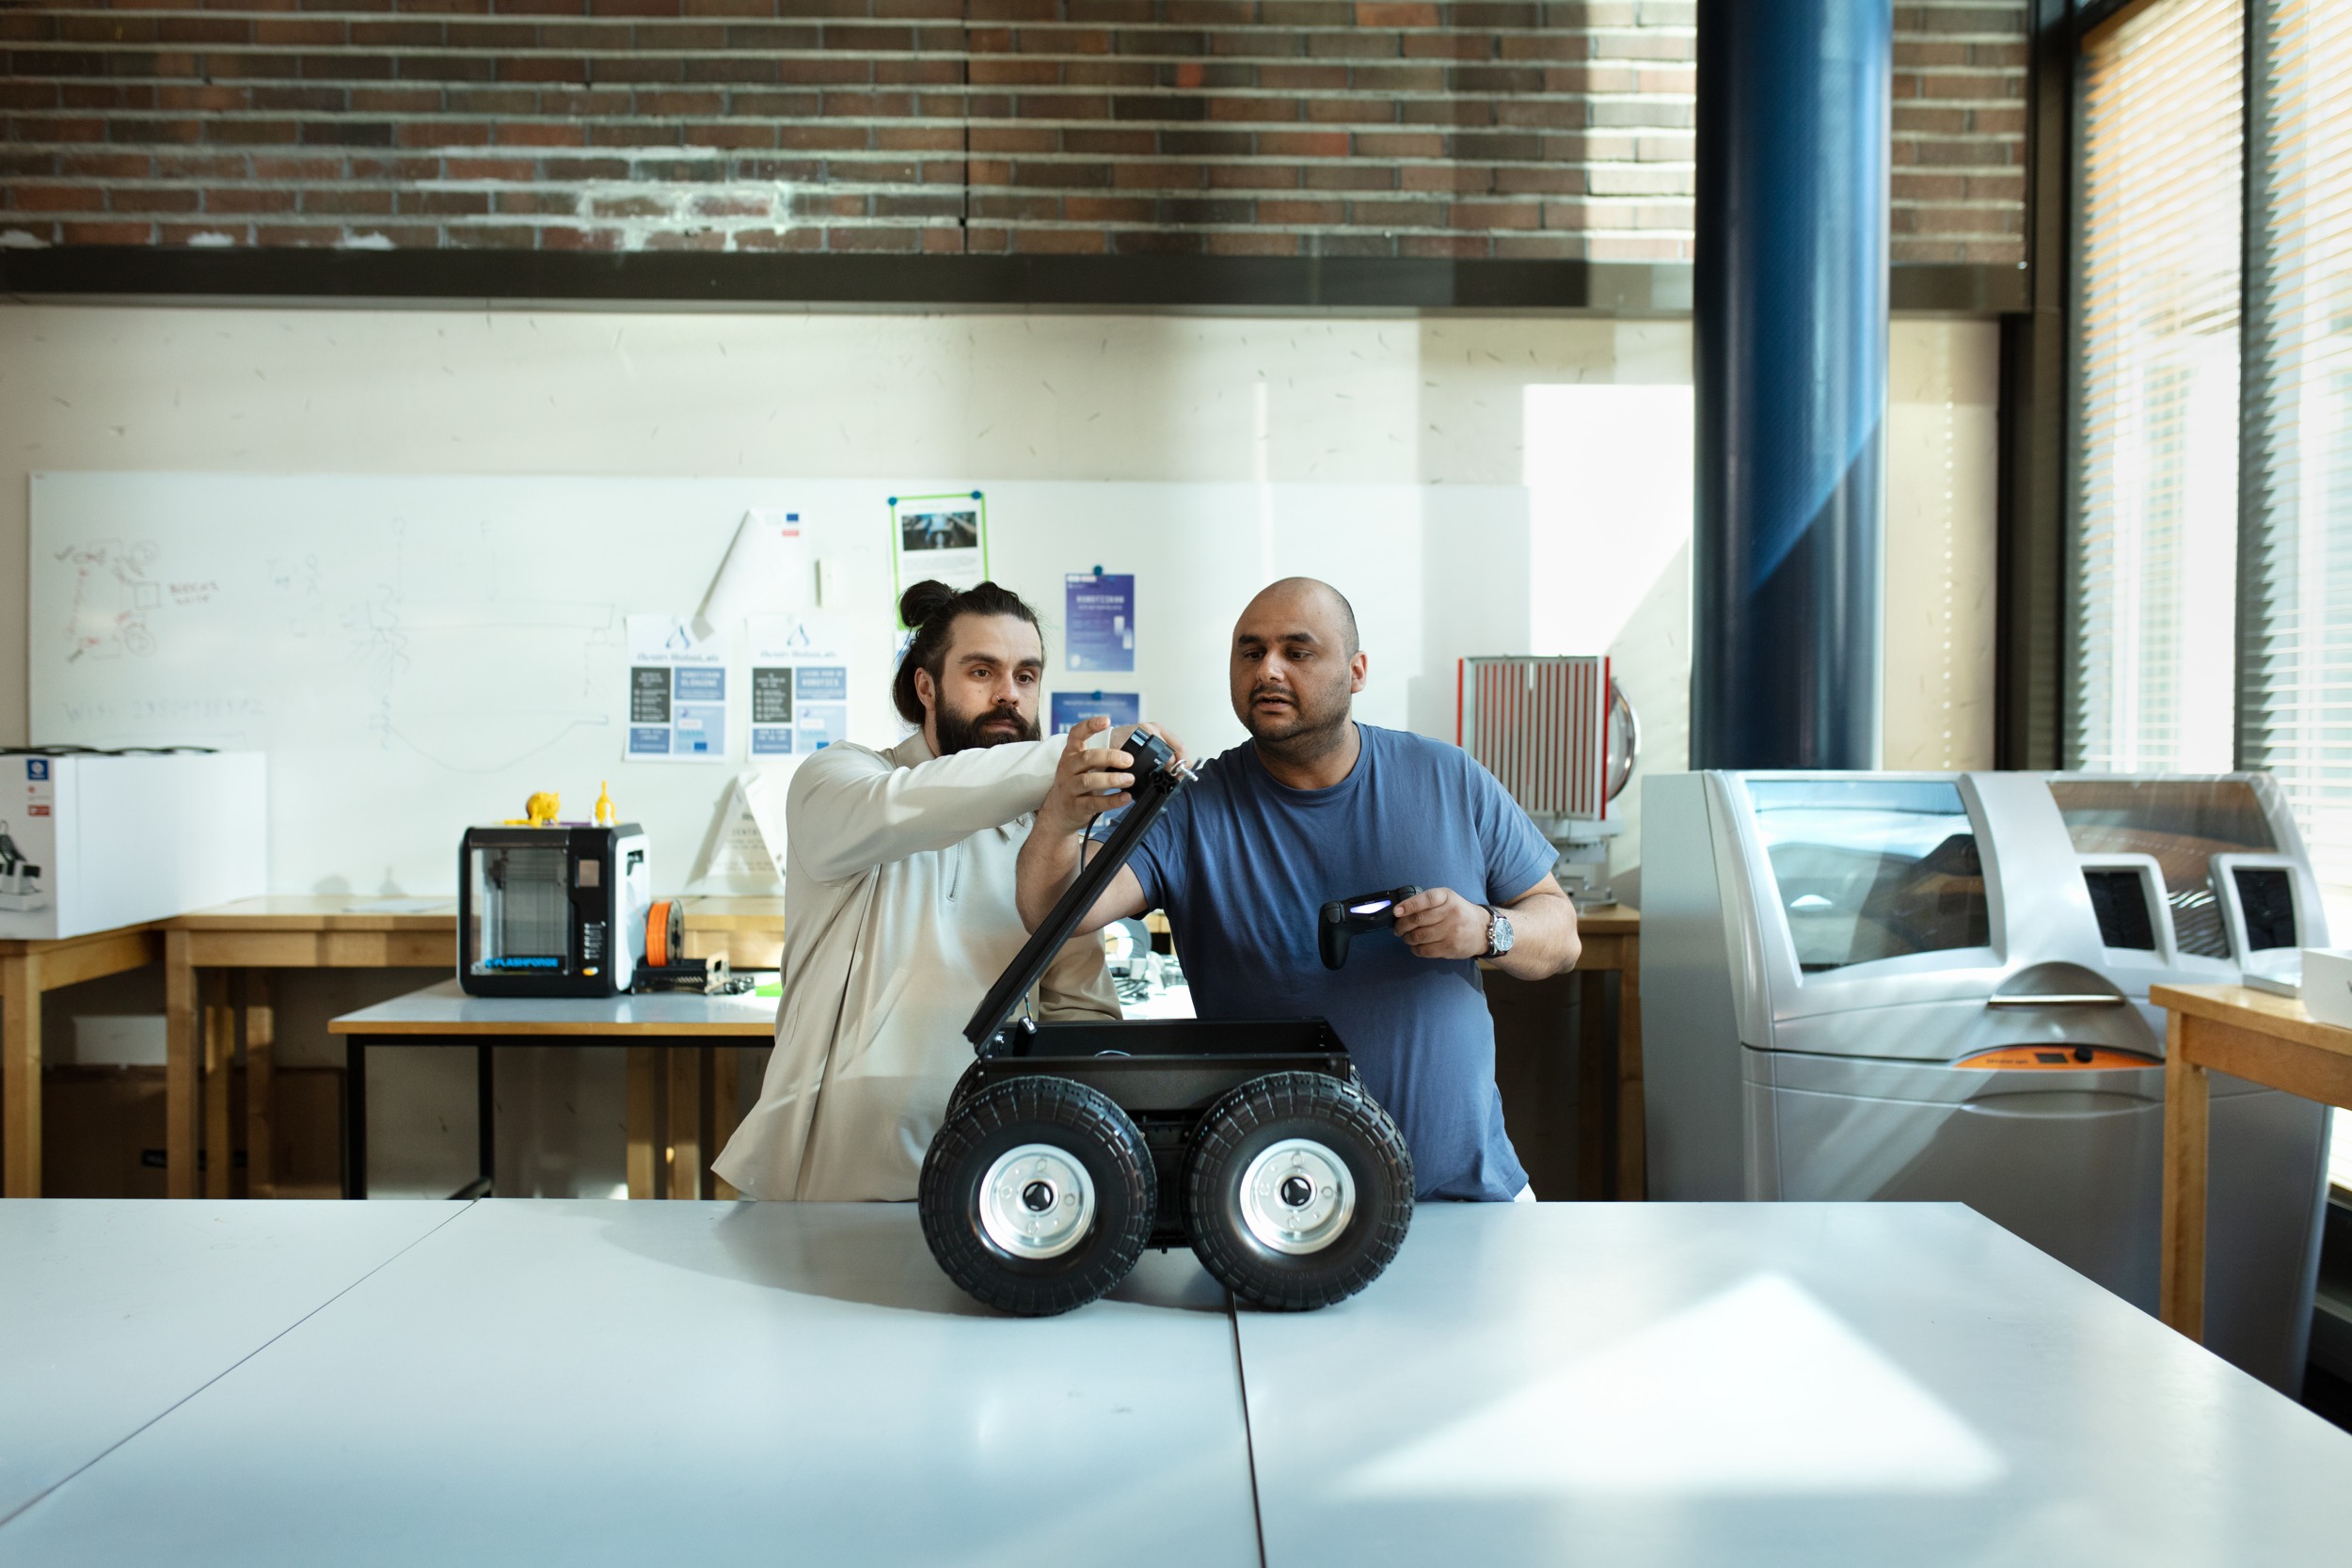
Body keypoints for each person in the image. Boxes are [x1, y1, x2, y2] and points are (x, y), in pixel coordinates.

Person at [1015, 577, 1580, 1202]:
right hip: (1282, 1216)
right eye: (1250, 652)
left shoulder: (1448, 777)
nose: (1269, 670)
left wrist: (1487, 929)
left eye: (1298, 651)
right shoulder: (1192, 807)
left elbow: (1561, 934)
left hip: (1468, 1195)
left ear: (1356, 670)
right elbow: (1054, 910)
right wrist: (1062, 815)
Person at [714, 579, 1128, 1201]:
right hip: (831, 1186)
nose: (1009, 696)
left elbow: (1080, 1015)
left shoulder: (1046, 837)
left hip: (991, 1185)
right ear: (926, 686)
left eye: (1026, 675)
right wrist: (1075, 758)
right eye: (982, 671)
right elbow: (907, 805)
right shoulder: (841, 781)